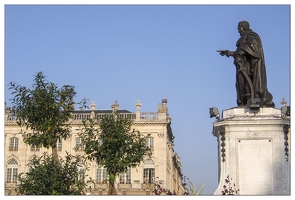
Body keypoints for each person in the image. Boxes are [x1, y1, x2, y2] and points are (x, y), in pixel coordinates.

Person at [218, 21, 275, 108]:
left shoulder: (251, 36)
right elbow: (240, 51)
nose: (238, 29)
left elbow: (252, 47)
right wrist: (229, 53)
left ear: (243, 27)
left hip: (249, 66)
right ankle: (244, 102)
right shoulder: (244, 38)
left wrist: (240, 52)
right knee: (240, 84)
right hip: (242, 65)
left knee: (247, 83)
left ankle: (251, 101)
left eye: (239, 27)